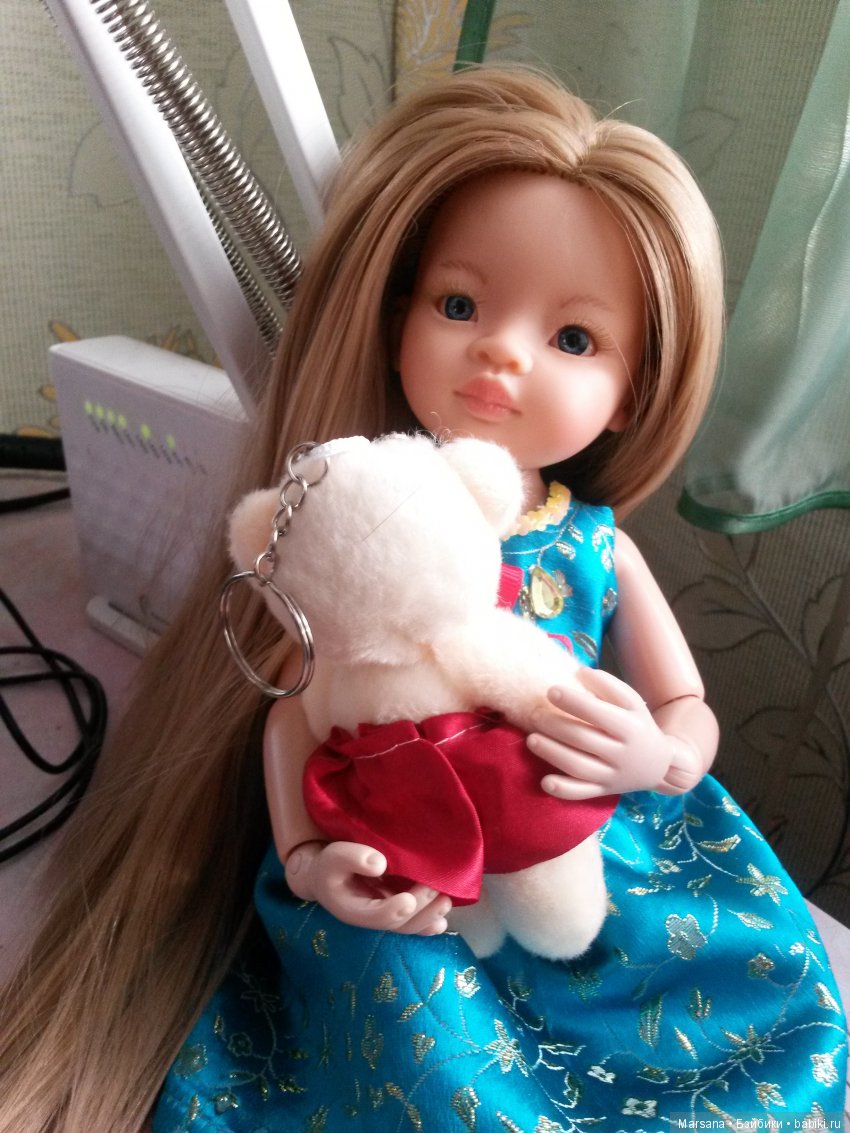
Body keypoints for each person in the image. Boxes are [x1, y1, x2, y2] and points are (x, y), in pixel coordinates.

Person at [1, 67, 845, 1132]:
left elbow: (685, 702)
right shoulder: (355, 521)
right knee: (417, 1037)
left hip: (593, 835)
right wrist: (308, 856)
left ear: (632, 391)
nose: (500, 350)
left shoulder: (593, 544)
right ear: (396, 317)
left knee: (728, 1002)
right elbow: (294, 711)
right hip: (414, 865)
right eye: (459, 305)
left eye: (573, 338)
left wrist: (660, 756)